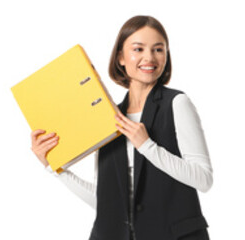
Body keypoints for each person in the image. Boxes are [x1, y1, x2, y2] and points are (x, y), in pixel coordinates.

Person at [29, 15, 212, 239]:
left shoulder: (176, 104)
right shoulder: (107, 116)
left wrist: (147, 146)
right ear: (121, 58)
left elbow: (204, 180)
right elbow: (105, 202)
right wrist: (54, 168)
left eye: (158, 49)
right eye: (138, 49)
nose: (149, 57)